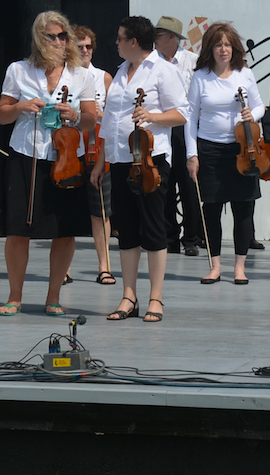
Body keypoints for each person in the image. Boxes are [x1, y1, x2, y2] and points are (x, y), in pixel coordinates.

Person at [0, 11, 96, 316]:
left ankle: (53, 296)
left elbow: (91, 120)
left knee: (64, 230)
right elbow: (2, 114)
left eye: (62, 36)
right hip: (27, 153)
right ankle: (15, 296)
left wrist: (75, 115)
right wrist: (21, 107)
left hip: (65, 158)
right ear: (38, 39)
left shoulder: (82, 75)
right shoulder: (19, 70)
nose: (57, 41)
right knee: (18, 230)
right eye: (50, 36)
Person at [93, 16, 187, 322]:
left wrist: (152, 117)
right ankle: (128, 295)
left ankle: (156, 298)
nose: (116, 43)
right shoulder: (121, 72)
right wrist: (100, 161)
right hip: (121, 160)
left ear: (134, 42)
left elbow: (181, 114)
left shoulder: (163, 70)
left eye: (120, 38)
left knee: (154, 227)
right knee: (128, 229)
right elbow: (108, 121)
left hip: (150, 161)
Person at [185, 22, 264, 285]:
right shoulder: (201, 77)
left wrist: (253, 114)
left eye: (228, 44)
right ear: (210, 48)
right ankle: (215, 265)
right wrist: (192, 154)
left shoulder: (245, 74)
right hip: (210, 149)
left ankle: (239, 267)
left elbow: (260, 106)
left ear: (235, 48)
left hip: (243, 150)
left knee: (244, 208)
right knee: (212, 209)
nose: (223, 50)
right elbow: (191, 117)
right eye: (218, 44)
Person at [155, 15, 202, 257]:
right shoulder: (151, 62)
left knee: (188, 184)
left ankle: (191, 238)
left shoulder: (192, 61)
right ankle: (169, 237)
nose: (155, 40)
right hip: (162, 126)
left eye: (159, 35)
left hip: (185, 127)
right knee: (164, 182)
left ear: (172, 38)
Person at [74, 24, 115, 285]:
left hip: (97, 149)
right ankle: (63, 269)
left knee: (101, 210)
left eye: (89, 46)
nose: (85, 51)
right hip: (69, 147)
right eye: (80, 47)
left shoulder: (104, 77)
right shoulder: (63, 76)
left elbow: (114, 115)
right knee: (65, 210)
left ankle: (104, 266)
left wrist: (101, 115)